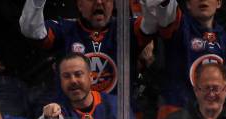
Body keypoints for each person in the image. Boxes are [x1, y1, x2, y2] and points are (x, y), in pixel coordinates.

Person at [19, 0, 158, 96]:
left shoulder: (127, 29)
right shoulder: (65, 30)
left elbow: (154, 21)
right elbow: (31, 30)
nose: (99, 2)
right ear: (79, 4)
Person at [143, 0, 226, 119]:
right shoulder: (178, 25)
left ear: (219, 3)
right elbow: (165, 12)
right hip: (175, 113)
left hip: (211, 118)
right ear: (188, 3)